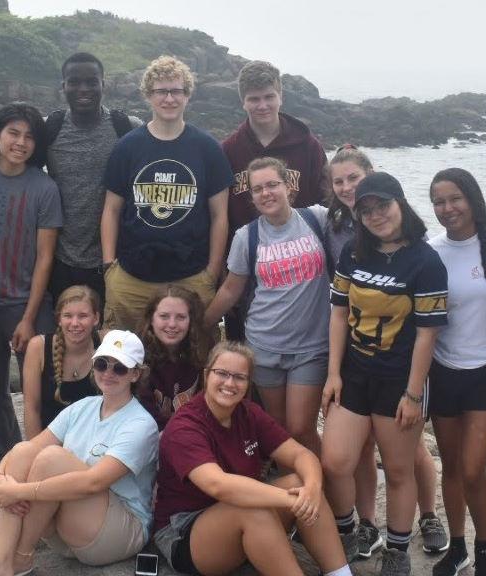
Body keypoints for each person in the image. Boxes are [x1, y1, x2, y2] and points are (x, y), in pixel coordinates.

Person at [321, 172, 449, 575]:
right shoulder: (354, 253)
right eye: (366, 211)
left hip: (399, 379)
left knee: (398, 468)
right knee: (337, 460)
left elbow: (428, 335)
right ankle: (351, 529)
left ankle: (397, 548)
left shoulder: (425, 261)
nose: (376, 216)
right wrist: (333, 374)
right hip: (355, 373)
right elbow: (339, 314)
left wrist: (413, 395)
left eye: (383, 206)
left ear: (400, 204)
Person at [0, 330, 159, 576]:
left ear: (135, 374)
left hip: (115, 532)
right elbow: (26, 449)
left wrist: (18, 491)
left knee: (52, 457)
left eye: (119, 368)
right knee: (25, 450)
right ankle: (1, 559)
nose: (108, 373)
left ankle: (21, 556)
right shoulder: (83, 407)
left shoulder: (140, 424)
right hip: (66, 528)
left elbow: (93, 482)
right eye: (101, 364)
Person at [153, 341, 354, 576]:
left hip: (234, 512)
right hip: (184, 530)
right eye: (222, 373)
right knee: (254, 509)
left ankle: (340, 573)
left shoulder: (248, 412)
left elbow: (301, 454)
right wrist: (293, 501)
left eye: (239, 377)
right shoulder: (185, 426)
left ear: (248, 384)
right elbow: (218, 485)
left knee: (302, 483)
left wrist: (311, 488)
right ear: (206, 375)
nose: (230, 383)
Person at [0, 103, 63, 463]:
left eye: (30, 136)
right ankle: (7, 460)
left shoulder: (45, 187)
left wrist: (29, 318)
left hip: (27, 304)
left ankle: (46, 460)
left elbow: (45, 256)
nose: (21, 142)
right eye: (13, 133)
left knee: (47, 387)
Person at [205, 157, 330, 454]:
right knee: (278, 427)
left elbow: (358, 223)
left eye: (273, 184)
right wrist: (199, 324)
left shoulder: (317, 219)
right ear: (251, 197)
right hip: (264, 346)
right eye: (258, 188)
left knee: (301, 428)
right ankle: (293, 494)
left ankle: (324, 491)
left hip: (311, 348)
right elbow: (231, 289)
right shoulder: (246, 237)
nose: (266, 193)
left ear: (289, 186)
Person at [100, 55, 232, 331]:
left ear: (187, 95)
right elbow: (111, 210)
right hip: (131, 278)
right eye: (161, 91)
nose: (169, 98)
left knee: (193, 358)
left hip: (192, 276)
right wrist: (109, 267)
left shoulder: (208, 149)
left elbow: (219, 215)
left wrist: (212, 271)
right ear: (149, 95)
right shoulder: (128, 147)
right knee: (128, 361)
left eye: (177, 91)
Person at [425, 168, 486, 576]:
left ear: (473, 199)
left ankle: (485, 546)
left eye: (455, 198)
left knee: (475, 468)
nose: (447, 208)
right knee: (453, 467)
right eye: (439, 201)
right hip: (444, 371)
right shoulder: (431, 250)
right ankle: (457, 546)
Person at [218, 60, 329, 342]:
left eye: (269, 97)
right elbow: (219, 212)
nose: (262, 105)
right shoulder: (229, 150)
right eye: (254, 99)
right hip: (244, 268)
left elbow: (327, 205)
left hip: (298, 271)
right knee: (242, 352)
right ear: (243, 102)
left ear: (280, 96)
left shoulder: (308, 146)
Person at [43, 52, 142, 302]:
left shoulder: (126, 128)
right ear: (63, 86)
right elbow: (19, 172)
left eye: (91, 81)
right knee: (67, 335)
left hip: (114, 259)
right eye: (74, 82)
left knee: (111, 338)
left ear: (103, 85)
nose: (83, 89)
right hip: (59, 259)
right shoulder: (49, 129)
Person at [20, 285, 103, 439]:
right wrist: (34, 451)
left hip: (94, 442)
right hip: (51, 442)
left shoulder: (106, 342)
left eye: (83, 316)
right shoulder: (38, 347)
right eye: (68, 316)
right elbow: (32, 408)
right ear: (58, 319)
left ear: (96, 318)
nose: (75, 323)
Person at [137, 284, 211, 429]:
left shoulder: (204, 353)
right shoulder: (135, 356)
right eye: (164, 316)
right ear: (151, 319)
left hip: (191, 432)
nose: (172, 324)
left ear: (191, 321)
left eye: (181, 317)